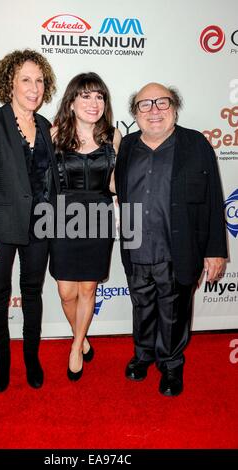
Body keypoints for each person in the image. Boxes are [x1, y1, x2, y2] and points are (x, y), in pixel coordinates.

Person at [115, 82, 227, 396]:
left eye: (162, 102)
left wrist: (215, 250)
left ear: (174, 107)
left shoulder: (195, 144)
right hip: (135, 246)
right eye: (144, 105)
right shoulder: (126, 147)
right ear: (135, 114)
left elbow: (213, 199)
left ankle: (171, 364)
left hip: (177, 248)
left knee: (174, 312)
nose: (154, 111)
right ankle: (143, 355)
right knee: (142, 307)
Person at [0, 49, 59, 392]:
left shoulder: (47, 126)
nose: (34, 87)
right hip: (0, 229)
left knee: (32, 293)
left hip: (40, 227)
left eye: (39, 80)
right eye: (26, 79)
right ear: (10, 83)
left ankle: (31, 358)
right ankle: (2, 360)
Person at [49, 72, 121, 380]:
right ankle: (83, 336)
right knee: (66, 292)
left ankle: (76, 345)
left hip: (98, 217)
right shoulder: (53, 135)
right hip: (62, 217)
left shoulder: (113, 136)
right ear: (72, 101)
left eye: (99, 96)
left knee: (89, 287)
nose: (94, 103)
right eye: (86, 95)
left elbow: (116, 184)